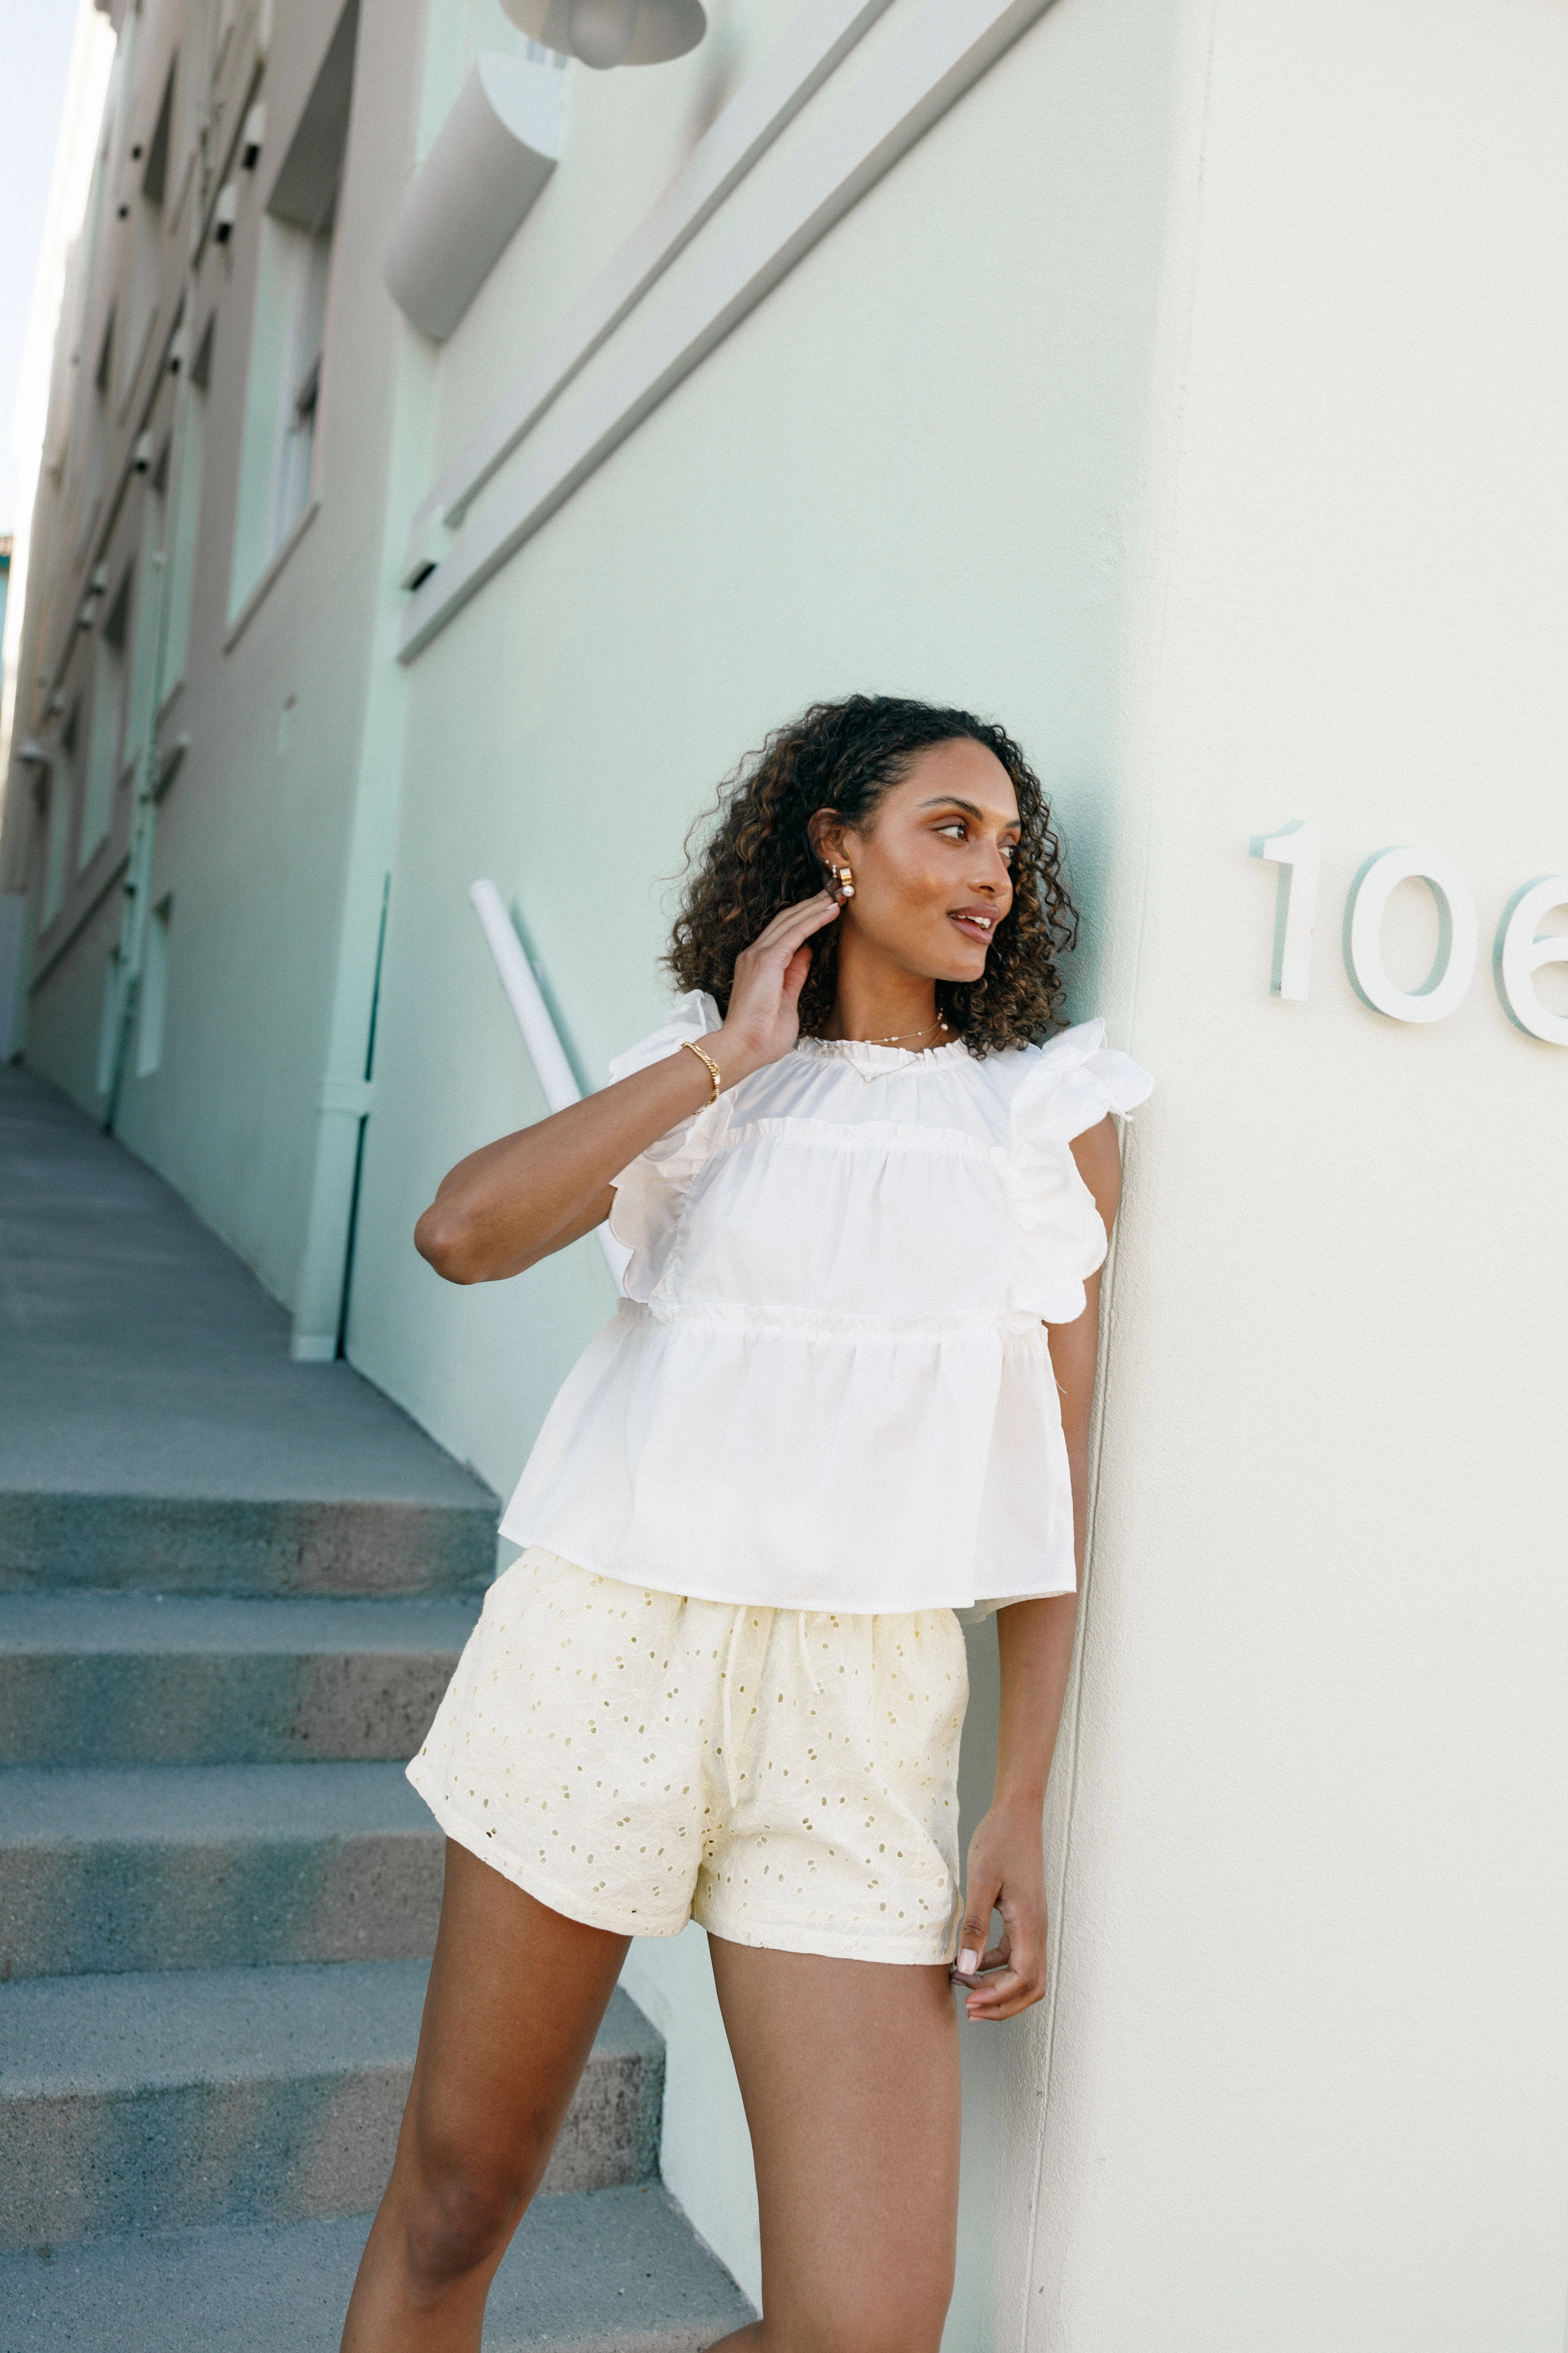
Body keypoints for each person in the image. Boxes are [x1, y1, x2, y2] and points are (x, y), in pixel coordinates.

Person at [341, 694, 1152, 2353]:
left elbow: (1054, 1487)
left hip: (863, 1711)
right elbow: (461, 1234)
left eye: (1010, 845)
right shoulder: (702, 1082)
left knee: (865, 2326)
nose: (993, 874)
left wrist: (1018, 1799)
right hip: (608, 1648)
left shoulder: (1040, 1121)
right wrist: (731, 1052)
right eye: (950, 829)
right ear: (833, 844)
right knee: (457, 2202)